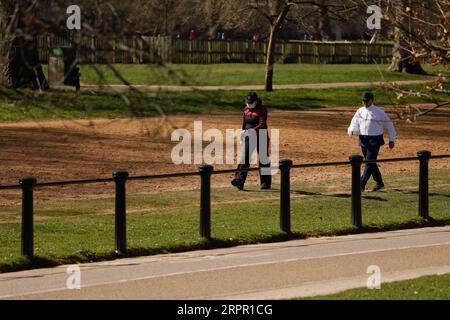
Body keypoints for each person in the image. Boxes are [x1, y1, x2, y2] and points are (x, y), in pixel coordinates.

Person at [348, 91, 397, 192]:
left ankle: (361, 184)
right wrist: (351, 130)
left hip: (375, 140)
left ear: (372, 100)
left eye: (366, 101)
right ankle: (379, 183)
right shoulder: (360, 111)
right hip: (363, 139)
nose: (364, 103)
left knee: (368, 162)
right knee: (371, 162)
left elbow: (389, 126)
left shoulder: (379, 112)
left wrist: (391, 139)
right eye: (363, 101)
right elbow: (354, 121)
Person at [231, 92, 272, 191]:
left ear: (256, 101)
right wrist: (242, 133)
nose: (249, 105)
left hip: (261, 135)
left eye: (251, 103)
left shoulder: (262, 110)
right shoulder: (245, 110)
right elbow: (244, 124)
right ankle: (239, 181)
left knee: (263, 159)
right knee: (245, 158)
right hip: (249, 136)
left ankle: (265, 183)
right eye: (248, 103)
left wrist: (251, 130)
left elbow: (262, 124)